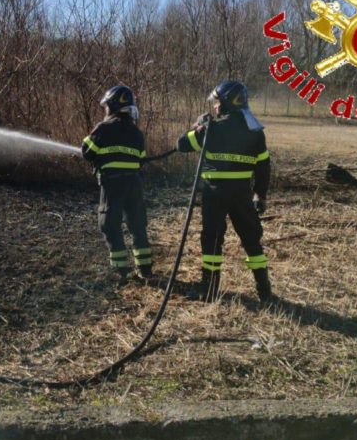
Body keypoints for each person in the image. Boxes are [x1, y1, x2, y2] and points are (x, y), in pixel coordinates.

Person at [176, 80, 273, 303]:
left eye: (217, 102)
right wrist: (260, 194)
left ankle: (209, 290)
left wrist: (198, 126)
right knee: (252, 241)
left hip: (214, 195)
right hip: (242, 196)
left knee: (212, 241)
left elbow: (181, 144)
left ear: (227, 102)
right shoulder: (255, 132)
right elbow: (264, 167)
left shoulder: (213, 129)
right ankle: (265, 292)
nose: (215, 107)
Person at [81, 85, 153, 286]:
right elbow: (141, 160)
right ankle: (145, 268)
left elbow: (86, 151)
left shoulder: (103, 128)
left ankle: (121, 271)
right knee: (138, 225)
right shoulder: (136, 133)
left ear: (112, 106)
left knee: (109, 224)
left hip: (113, 184)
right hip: (134, 184)